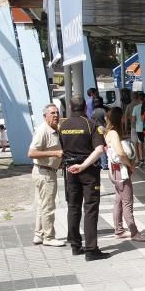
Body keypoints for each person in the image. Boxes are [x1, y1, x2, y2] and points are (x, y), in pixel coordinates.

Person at [59, 97, 109, 261]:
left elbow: (61, 149)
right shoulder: (91, 124)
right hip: (88, 172)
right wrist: (83, 165)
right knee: (90, 209)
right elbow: (100, 150)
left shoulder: (63, 125)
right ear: (85, 107)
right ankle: (91, 249)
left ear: (70, 107)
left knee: (73, 207)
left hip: (70, 171)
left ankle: (75, 245)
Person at [104, 106, 145, 242]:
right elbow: (121, 153)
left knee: (118, 201)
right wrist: (130, 165)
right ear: (119, 118)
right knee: (127, 202)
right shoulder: (114, 134)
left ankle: (119, 230)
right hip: (121, 172)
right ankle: (134, 232)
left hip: (114, 171)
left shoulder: (107, 133)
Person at [27, 103, 67, 247]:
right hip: (44, 172)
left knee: (42, 205)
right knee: (48, 207)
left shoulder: (54, 129)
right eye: (52, 113)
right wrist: (55, 153)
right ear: (45, 116)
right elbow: (31, 153)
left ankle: (39, 234)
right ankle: (49, 237)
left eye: (57, 113)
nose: (56, 116)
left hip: (47, 171)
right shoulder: (42, 131)